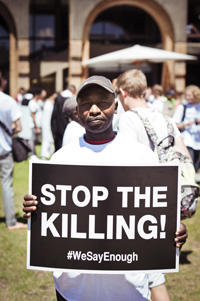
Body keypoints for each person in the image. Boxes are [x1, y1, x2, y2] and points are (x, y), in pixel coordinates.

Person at [23, 75, 187, 301]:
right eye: (86, 104)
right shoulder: (62, 158)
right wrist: (36, 209)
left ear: (116, 106)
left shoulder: (141, 156)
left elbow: (152, 216)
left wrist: (173, 231)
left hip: (128, 291)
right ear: (78, 111)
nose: (94, 109)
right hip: (72, 290)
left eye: (102, 102)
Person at [116, 69, 191, 160]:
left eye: (118, 93)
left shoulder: (127, 118)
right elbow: (187, 160)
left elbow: (128, 159)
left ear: (123, 92)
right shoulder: (166, 119)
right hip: (169, 174)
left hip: (144, 174)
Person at [0, 76, 26, 230]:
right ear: (2, 82)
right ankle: (11, 222)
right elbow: (19, 127)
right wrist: (10, 131)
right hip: (4, 149)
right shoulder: (8, 101)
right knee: (6, 185)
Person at [173, 85, 200, 172]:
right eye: (186, 95)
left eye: (189, 95)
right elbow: (174, 124)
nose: (187, 97)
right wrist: (185, 125)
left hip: (198, 140)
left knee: (197, 165)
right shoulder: (183, 107)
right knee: (189, 163)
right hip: (187, 140)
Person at [28, 87, 43, 154]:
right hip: (34, 125)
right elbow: (33, 115)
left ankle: (33, 153)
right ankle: (32, 154)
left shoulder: (37, 102)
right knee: (32, 140)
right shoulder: (32, 103)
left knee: (35, 140)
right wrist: (36, 127)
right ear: (37, 95)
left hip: (37, 124)